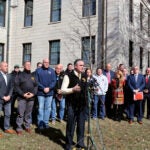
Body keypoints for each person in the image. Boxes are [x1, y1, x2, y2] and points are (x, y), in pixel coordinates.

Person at [61, 59, 87, 150]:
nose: (82, 67)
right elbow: (62, 90)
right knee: (71, 125)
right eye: (80, 65)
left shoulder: (84, 76)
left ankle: (80, 143)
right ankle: (68, 144)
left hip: (82, 105)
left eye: (83, 65)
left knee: (81, 125)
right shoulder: (68, 76)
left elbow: (85, 89)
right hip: (72, 104)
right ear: (75, 66)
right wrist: (72, 89)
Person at [15, 61, 38, 135]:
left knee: (28, 113)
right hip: (22, 98)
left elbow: (36, 86)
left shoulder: (33, 75)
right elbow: (16, 86)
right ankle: (19, 128)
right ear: (24, 66)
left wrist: (33, 94)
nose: (29, 66)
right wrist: (23, 94)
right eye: (27, 65)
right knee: (20, 113)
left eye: (30, 65)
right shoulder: (20, 75)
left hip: (31, 98)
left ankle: (27, 126)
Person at [36, 58, 56, 129]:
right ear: (43, 62)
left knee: (48, 108)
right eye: (45, 62)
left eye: (48, 62)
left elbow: (54, 81)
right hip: (40, 93)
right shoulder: (38, 71)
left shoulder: (52, 71)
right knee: (40, 108)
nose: (46, 63)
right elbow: (36, 81)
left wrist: (49, 88)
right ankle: (40, 123)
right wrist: (43, 88)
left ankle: (46, 123)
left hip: (49, 93)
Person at [0, 61, 16, 135]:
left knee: (8, 114)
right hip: (0, 99)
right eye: (5, 66)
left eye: (7, 66)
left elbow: (12, 86)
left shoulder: (9, 76)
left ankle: (6, 128)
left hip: (8, 99)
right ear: (1, 67)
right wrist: (3, 96)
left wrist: (9, 95)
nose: (7, 67)